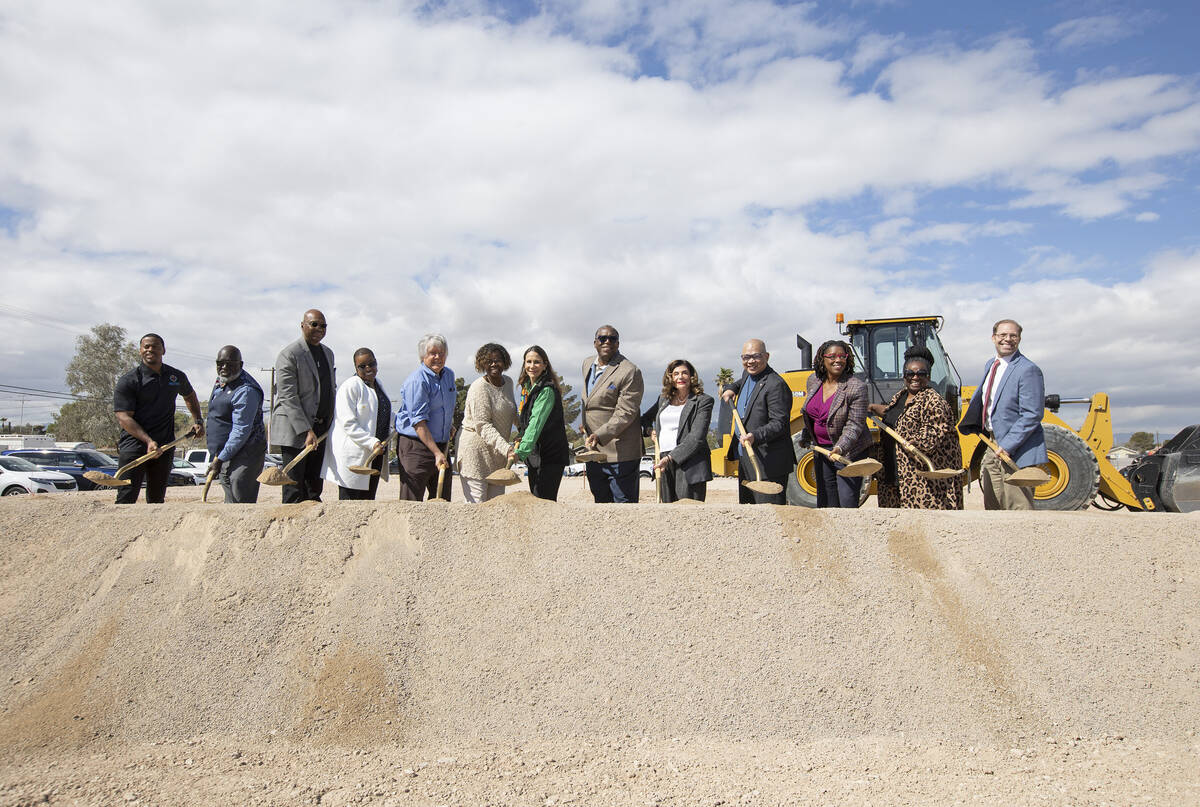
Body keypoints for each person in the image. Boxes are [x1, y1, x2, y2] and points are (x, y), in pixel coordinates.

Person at [958, 319, 1047, 510]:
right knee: (993, 505)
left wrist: (1008, 444)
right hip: (991, 443)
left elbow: (1032, 414)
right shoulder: (991, 365)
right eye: (1003, 335)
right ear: (993, 338)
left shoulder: (1028, 370)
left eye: (1013, 335)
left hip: (1018, 447)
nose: (1008, 339)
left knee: (1018, 507)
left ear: (1019, 339)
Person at [112, 333, 204, 504]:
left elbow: (190, 396)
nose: (150, 350)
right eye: (146, 346)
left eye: (155, 346)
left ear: (163, 350)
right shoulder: (129, 380)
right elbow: (123, 417)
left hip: (165, 445)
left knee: (156, 498)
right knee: (126, 498)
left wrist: (198, 420)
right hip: (134, 447)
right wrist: (148, 441)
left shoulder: (175, 376)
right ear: (140, 350)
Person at [868, 346, 964, 510]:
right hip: (894, 471)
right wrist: (872, 407)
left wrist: (913, 441)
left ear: (928, 377)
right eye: (910, 373)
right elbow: (896, 415)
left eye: (921, 374)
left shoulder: (934, 401)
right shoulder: (901, 396)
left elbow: (934, 433)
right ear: (903, 375)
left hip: (920, 480)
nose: (915, 377)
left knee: (920, 521)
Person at [270, 309, 335, 503]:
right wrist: (306, 429)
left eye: (323, 326)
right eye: (314, 324)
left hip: (320, 429)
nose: (319, 329)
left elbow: (329, 388)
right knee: (293, 488)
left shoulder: (328, 353)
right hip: (296, 430)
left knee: (313, 487)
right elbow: (288, 396)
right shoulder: (290, 354)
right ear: (302, 325)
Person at [720, 339, 795, 504]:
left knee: (769, 511)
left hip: (768, 461)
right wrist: (731, 388)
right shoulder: (748, 374)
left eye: (756, 356)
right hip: (747, 457)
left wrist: (755, 436)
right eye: (746, 357)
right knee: (749, 509)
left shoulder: (776, 385)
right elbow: (740, 382)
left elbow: (779, 423)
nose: (751, 361)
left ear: (766, 356)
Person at [799, 340, 872, 508]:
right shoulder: (814, 380)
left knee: (846, 502)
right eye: (832, 356)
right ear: (822, 359)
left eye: (842, 356)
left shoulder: (856, 387)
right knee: (826, 501)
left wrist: (840, 448)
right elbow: (813, 413)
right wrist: (807, 434)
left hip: (848, 452)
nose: (837, 360)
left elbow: (855, 424)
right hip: (822, 450)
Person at [580, 325, 644, 503]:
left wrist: (600, 435)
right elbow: (589, 401)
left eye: (612, 338)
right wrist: (585, 424)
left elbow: (626, 412)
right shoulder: (587, 364)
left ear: (618, 344)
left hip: (620, 453)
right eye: (602, 338)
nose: (607, 341)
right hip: (594, 452)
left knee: (623, 507)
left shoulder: (630, 371)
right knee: (601, 505)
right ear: (595, 343)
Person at [321, 348, 392, 500]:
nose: (368, 368)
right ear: (355, 367)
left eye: (372, 364)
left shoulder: (378, 384)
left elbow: (383, 413)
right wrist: (372, 442)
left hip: (376, 454)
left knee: (368, 502)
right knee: (350, 504)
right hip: (355, 456)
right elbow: (348, 423)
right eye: (362, 366)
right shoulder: (350, 386)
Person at [641, 359, 714, 502]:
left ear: (692, 376)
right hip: (664, 460)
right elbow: (645, 419)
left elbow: (697, 437)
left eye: (684, 373)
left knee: (688, 510)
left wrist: (671, 458)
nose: (680, 377)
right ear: (670, 378)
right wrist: (650, 431)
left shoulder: (703, 401)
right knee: (667, 509)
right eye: (676, 374)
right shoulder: (663, 400)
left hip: (690, 462)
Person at [395, 333, 456, 501]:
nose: (438, 357)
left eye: (441, 353)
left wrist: (447, 425)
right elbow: (418, 422)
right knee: (412, 501)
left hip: (441, 445)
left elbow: (444, 408)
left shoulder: (449, 375)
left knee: (442, 499)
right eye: (432, 353)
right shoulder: (417, 381)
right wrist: (436, 453)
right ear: (423, 356)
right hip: (416, 447)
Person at [206, 345, 267, 503]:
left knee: (239, 488)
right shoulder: (221, 381)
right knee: (229, 492)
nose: (224, 367)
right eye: (220, 363)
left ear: (240, 364)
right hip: (226, 452)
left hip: (247, 451)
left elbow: (241, 430)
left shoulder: (246, 391)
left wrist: (220, 459)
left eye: (230, 364)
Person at [457, 343, 518, 503]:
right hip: (475, 454)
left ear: (505, 362)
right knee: (476, 507)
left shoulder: (508, 383)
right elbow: (482, 425)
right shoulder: (479, 388)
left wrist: (522, 429)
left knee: (496, 506)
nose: (493, 364)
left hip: (497, 456)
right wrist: (507, 449)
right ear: (481, 364)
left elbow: (512, 410)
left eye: (497, 360)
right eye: (489, 361)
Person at [513, 345, 570, 501]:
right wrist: (520, 435)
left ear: (545, 365)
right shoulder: (527, 388)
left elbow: (535, 424)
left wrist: (520, 453)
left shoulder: (546, 390)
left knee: (544, 503)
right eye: (529, 361)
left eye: (537, 362)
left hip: (550, 457)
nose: (532, 366)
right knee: (535, 502)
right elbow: (526, 421)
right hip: (535, 457)